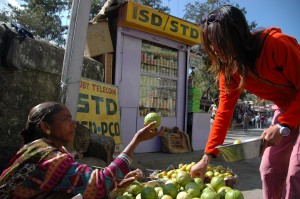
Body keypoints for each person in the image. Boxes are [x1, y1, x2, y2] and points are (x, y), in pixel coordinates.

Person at [190, 5, 300, 199]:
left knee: (296, 173)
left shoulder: (276, 44)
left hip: (290, 113)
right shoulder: (230, 70)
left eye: (218, 43)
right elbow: (224, 112)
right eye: (211, 44)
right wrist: (207, 157)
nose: (215, 50)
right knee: (268, 170)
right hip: (284, 110)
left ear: (236, 37)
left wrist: (283, 124)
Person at [0, 102, 164, 198]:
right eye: (66, 119)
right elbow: (99, 184)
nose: (74, 123)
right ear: (46, 127)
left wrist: (118, 185)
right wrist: (137, 140)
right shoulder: (50, 158)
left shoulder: (36, 149)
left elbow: (77, 185)